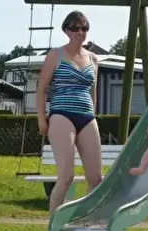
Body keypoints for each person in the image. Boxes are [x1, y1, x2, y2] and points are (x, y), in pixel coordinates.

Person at [36, 11, 103, 214]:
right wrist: (42, 120)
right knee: (66, 177)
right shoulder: (56, 55)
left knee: (96, 179)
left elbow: (93, 92)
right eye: (75, 28)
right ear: (66, 30)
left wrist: (93, 114)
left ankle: (85, 221)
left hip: (87, 116)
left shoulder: (93, 59)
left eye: (84, 28)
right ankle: (54, 225)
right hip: (62, 115)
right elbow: (42, 89)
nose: (80, 32)